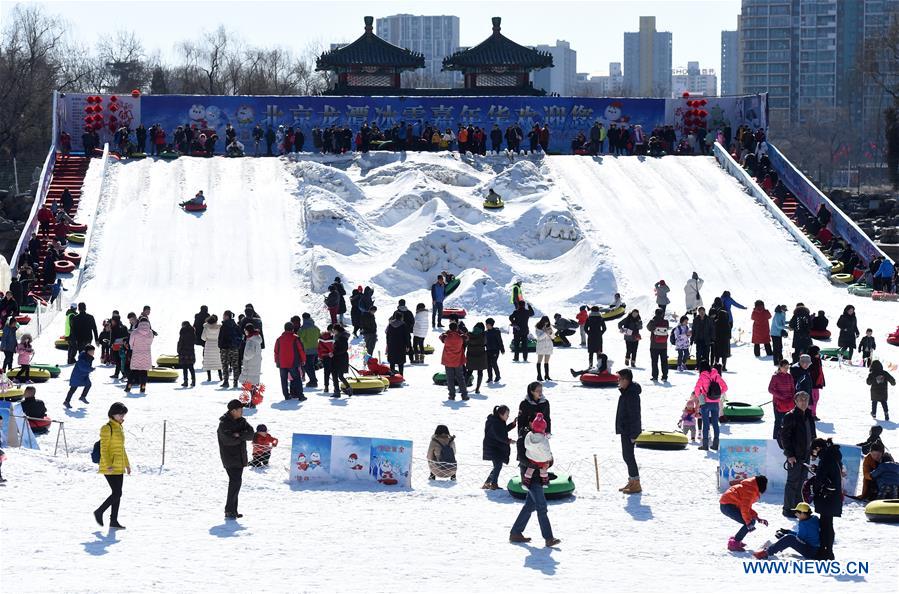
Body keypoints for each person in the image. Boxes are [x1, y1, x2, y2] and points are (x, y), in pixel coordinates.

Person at [510, 412, 560, 548]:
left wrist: (548, 463)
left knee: (530, 506)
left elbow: (547, 454)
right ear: (530, 423)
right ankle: (548, 538)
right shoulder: (524, 437)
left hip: (537, 474)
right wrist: (537, 465)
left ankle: (515, 532)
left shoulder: (540, 437)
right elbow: (521, 458)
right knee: (541, 507)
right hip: (530, 477)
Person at [93, 402, 131, 529]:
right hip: (109, 466)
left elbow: (121, 448)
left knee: (117, 493)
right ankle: (99, 511)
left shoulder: (119, 427)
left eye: (123, 415)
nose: (122, 417)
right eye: (120, 414)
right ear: (113, 414)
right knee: (117, 493)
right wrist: (108, 464)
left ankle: (113, 521)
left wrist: (127, 464)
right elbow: (103, 449)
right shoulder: (106, 428)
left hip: (119, 466)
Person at [780, 391, 816, 517]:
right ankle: (788, 509)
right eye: (801, 399)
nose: (803, 402)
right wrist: (789, 454)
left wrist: (814, 450)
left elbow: (812, 435)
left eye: (805, 399)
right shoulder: (790, 416)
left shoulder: (809, 415)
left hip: (806, 455)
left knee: (801, 482)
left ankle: (798, 507)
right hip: (794, 456)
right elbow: (784, 437)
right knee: (792, 483)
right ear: (795, 401)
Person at [217, 399, 254, 519]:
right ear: (233, 411)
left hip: (240, 457)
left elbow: (251, 434)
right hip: (230, 458)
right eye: (240, 409)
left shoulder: (242, 421)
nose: (242, 411)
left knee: (236, 483)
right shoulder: (224, 423)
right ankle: (229, 510)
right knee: (235, 482)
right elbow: (228, 440)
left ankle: (232, 510)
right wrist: (241, 436)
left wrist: (239, 434)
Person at [809, 437, 842, 559]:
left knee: (825, 525)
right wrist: (817, 470)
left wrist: (814, 491)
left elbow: (820, 479)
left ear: (818, 448)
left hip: (827, 496)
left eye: (813, 450)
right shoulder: (832, 455)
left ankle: (826, 552)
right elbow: (829, 473)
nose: (814, 453)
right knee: (828, 524)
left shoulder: (826, 458)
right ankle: (828, 551)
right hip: (833, 495)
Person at [753, 502, 820, 559]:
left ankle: (766, 553)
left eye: (797, 512)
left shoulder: (805, 524)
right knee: (789, 537)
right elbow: (804, 535)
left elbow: (799, 539)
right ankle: (769, 550)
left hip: (810, 551)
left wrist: (784, 537)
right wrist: (788, 532)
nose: (795, 514)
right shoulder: (814, 518)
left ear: (803, 513)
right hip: (816, 549)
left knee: (788, 539)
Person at [719, 475, 769, 551]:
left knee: (750, 521)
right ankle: (734, 543)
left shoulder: (749, 487)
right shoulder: (750, 491)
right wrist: (748, 522)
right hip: (728, 506)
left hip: (727, 505)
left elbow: (746, 507)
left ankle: (736, 540)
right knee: (749, 522)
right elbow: (745, 508)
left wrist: (757, 518)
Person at [615, 368, 642, 494]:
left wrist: (634, 434)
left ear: (626, 380)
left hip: (629, 431)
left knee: (629, 456)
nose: (618, 381)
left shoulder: (631, 394)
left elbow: (635, 415)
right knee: (626, 456)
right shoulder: (626, 392)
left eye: (620, 379)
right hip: (625, 429)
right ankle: (632, 480)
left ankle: (636, 484)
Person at [693, 362, 727, 450]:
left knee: (706, 424)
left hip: (705, 403)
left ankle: (705, 445)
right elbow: (725, 387)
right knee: (715, 424)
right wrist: (718, 395)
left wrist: (701, 397)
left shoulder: (702, 376)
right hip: (716, 403)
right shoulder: (716, 375)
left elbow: (696, 389)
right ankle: (715, 444)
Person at [482, 405, 516, 489]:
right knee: (498, 466)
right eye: (507, 415)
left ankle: (487, 483)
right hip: (492, 447)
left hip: (496, 447)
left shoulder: (499, 421)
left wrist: (512, 425)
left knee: (497, 466)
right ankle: (493, 484)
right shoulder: (495, 423)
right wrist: (509, 441)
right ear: (501, 414)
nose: (508, 416)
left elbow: (503, 430)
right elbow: (498, 436)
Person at [274, 322, 305, 400]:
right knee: (297, 379)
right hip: (293, 362)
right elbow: (301, 350)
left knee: (283, 380)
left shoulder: (279, 339)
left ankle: (286, 395)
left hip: (282, 363)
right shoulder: (296, 338)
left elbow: (276, 351)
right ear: (292, 329)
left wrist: (277, 361)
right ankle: (300, 396)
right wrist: (303, 359)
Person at [768, 360, 795, 444]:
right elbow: (770, 389)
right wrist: (781, 396)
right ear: (780, 367)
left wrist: (791, 397)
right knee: (778, 421)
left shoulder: (789, 376)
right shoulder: (775, 377)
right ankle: (775, 439)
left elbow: (793, 388)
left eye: (788, 367)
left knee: (788, 421)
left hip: (788, 402)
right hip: (778, 403)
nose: (786, 369)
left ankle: (787, 439)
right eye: (785, 367)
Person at [440, 322, 469, 401]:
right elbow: (466, 337)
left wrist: (447, 332)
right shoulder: (460, 337)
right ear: (457, 328)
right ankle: (464, 395)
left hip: (448, 360)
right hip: (458, 361)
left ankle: (452, 395)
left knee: (450, 379)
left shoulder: (446, 338)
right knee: (460, 378)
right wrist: (459, 332)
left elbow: (441, 337)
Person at [125, 318, 153, 394]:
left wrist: (132, 347)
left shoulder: (135, 332)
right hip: (146, 354)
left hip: (136, 352)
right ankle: (143, 387)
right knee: (144, 371)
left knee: (134, 370)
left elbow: (131, 342)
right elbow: (150, 342)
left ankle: (129, 386)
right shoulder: (150, 332)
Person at [218, 310, 241, 388]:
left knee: (225, 365)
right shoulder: (236, 326)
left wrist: (220, 346)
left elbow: (221, 338)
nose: (223, 317)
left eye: (224, 315)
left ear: (227, 316)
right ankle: (235, 382)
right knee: (235, 365)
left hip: (225, 348)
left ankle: (226, 381)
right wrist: (237, 346)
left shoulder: (224, 326)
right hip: (234, 348)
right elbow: (240, 336)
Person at [646, 309, 669, 382]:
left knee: (654, 362)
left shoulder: (653, 321)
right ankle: (665, 376)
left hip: (654, 345)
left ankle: (655, 376)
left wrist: (653, 320)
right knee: (664, 362)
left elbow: (648, 328)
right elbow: (667, 328)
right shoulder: (666, 322)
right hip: (663, 345)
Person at [297, 313, 320, 387]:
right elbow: (319, 334)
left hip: (307, 350)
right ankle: (313, 379)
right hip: (315, 350)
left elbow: (299, 336)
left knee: (307, 366)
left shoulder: (303, 328)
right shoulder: (315, 327)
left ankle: (313, 381)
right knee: (311, 366)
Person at [239, 323, 263, 390]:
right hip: (255, 364)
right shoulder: (256, 339)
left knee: (249, 383)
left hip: (250, 365)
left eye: (245, 330)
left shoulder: (251, 341)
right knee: (253, 383)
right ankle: (253, 395)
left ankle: (253, 395)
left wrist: (244, 356)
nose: (245, 332)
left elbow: (249, 354)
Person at [330, 324, 351, 398]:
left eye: (334, 330)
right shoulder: (339, 337)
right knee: (339, 376)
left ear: (337, 330)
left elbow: (343, 349)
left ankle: (337, 391)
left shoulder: (341, 338)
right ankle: (347, 388)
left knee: (336, 375)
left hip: (340, 359)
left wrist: (334, 353)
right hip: (339, 358)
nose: (333, 331)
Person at [466, 322, 488, 393]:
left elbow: (465, 343)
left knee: (469, 372)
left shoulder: (469, 335)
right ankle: (477, 389)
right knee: (480, 372)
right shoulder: (483, 335)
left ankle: (463, 388)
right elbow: (485, 343)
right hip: (480, 356)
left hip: (471, 356)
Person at [201, 315, 223, 383]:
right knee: (218, 361)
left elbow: (203, 337)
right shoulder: (219, 327)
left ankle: (209, 377)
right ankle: (220, 377)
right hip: (217, 344)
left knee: (208, 361)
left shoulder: (206, 327)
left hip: (209, 344)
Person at [533, 316, 554, 381]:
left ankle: (547, 375)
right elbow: (539, 338)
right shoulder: (538, 328)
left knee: (546, 361)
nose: (546, 323)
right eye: (545, 322)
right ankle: (539, 375)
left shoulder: (549, 327)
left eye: (547, 322)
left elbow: (553, 337)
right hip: (541, 346)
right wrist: (546, 332)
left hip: (548, 346)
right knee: (539, 360)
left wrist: (551, 333)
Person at [177, 321, 196, 388]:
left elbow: (180, 342)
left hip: (183, 351)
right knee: (191, 367)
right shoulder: (192, 331)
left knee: (184, 367)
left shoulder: (183, 331)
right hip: (191, 351)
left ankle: (185, 381)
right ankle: (193, 381)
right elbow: (194, 340)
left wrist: (178, 350)